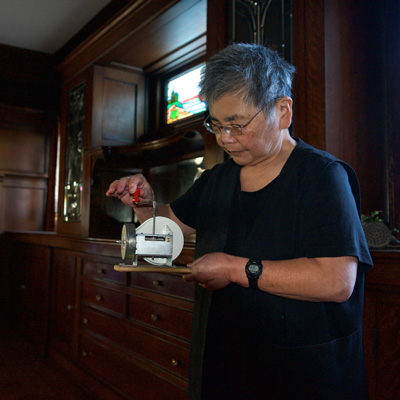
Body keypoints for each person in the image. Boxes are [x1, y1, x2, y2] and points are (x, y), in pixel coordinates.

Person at [106, 43, 373, 400]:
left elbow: (336, 281)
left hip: (303, 372)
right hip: (226, 361)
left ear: (282, 111)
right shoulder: (217, 179)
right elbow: (165, 240)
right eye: (216, 124)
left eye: (237, 124)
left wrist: (234, 269)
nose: (225, 138)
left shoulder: (323, 176)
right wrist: (144, 204)